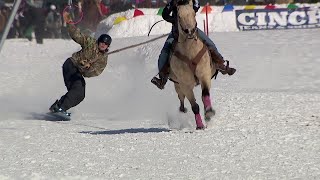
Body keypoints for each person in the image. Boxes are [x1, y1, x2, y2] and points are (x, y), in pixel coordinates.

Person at [151, 0, 236, 90]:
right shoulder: (172, 3)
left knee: (210, 43)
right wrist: (174, 20)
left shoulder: (191, 1)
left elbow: (196, 6)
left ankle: (221, 65)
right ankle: (162, 78)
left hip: (193, 30)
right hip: (177, 32)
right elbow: (165, 15)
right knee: (165, 52)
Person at [49, 11, 112, 116]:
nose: (103, 45)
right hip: (71, 65)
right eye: (102, 42)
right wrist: (69, 22)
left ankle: (58, 106)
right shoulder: (90, 43)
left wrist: (88, 68)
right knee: (77, 89)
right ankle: (61, 108)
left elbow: (96, 71)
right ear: (98, 41)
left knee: (80, 95)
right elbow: (77, 35)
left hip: (78, 72)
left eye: (106, 44)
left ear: (107, 46)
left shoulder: (103, 58)